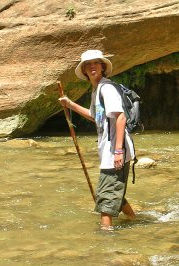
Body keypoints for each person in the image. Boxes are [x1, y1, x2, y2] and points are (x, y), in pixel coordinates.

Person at [59, 50, 136, 230]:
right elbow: (95, 117)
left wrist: (118, 151)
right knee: (114, 192)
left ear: (102, 67)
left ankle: (105, 237)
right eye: (88, 64)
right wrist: (71, 105)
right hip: (110, 151)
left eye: (96, 63)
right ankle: (134, 220)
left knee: (105, 199)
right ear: (84, 70)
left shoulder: (107, 88)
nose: (92, 66)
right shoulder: (97, 90)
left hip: (115, 151)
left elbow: (121, 117)